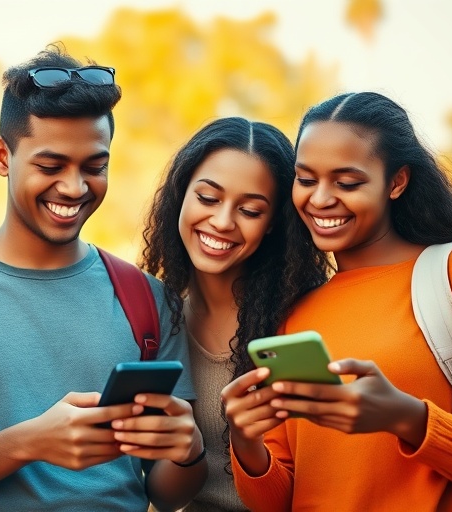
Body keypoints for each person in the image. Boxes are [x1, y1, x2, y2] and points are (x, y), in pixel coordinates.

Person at [0, 46, 207, 511]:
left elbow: (164, 492)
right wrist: (28, 443)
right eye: (50, 166)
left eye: (95, 167)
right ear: (2, 155)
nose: (75, 188)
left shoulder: (146, 299)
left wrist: (187, 451)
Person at [223, 92, 452, 511]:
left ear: (397, 182)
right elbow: (278, 501)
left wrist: (407, 418)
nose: (319, 199)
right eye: (305, 179)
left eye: (347, 182)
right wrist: (246, 443)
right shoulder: (294, 311)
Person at [141, 117, 329, 511]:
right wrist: (183, 451)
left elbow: (323, 484)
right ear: (181, 194)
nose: (223, 222)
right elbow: (160, 495)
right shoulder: (152, 321)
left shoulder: (302, 325)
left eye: (250, 210)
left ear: (273, 224)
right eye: (208, 198)